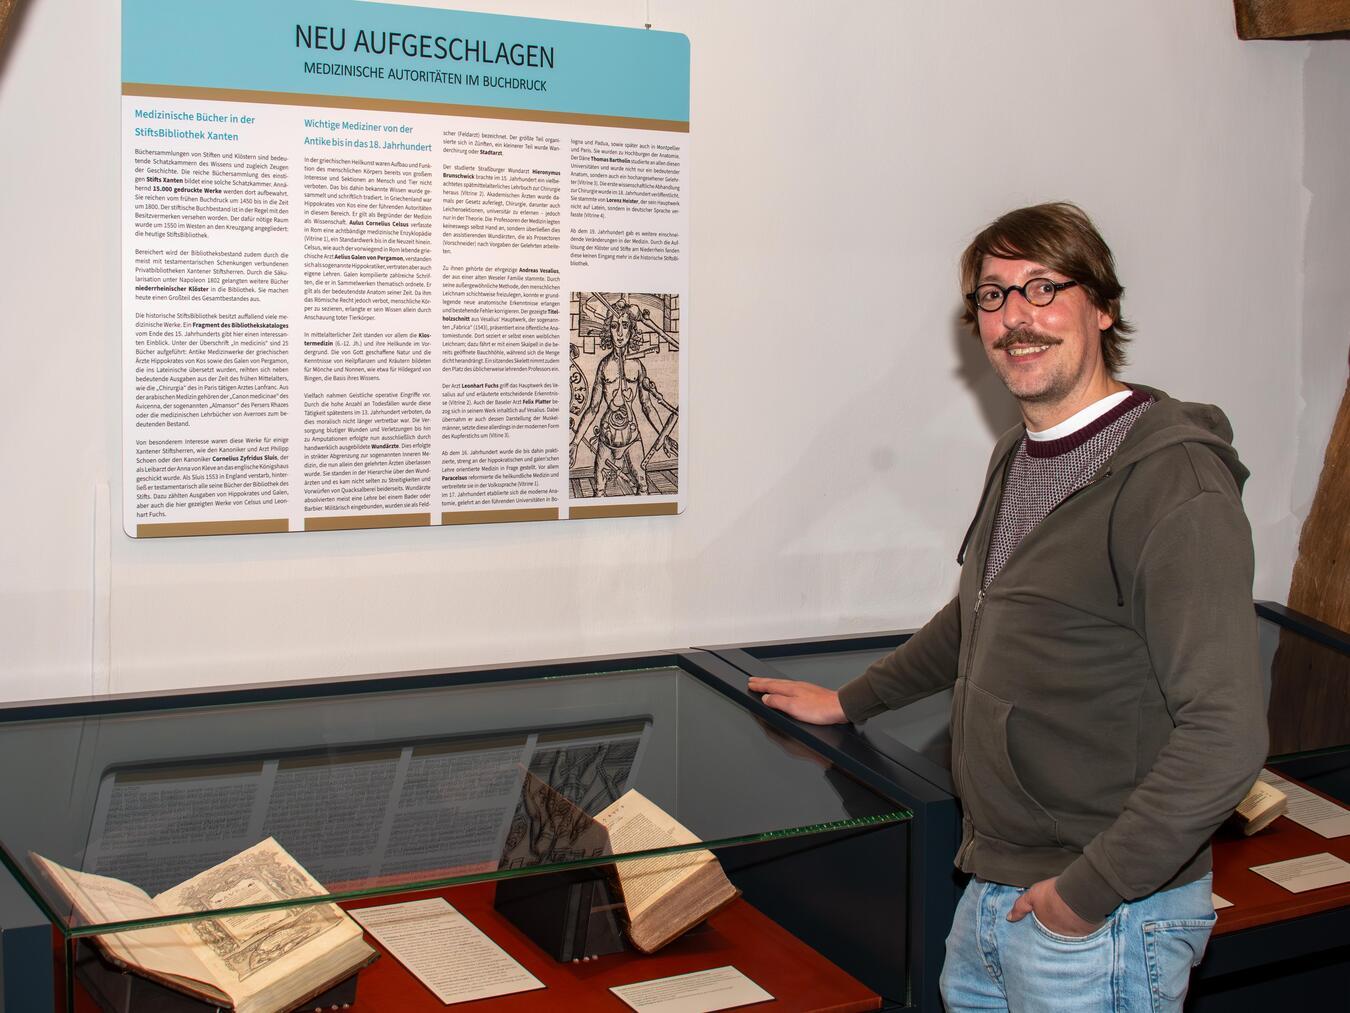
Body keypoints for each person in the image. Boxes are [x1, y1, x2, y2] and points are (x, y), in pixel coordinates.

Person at [749, 202, 1267, 1012]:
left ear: (1102, 307)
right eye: (994, 295)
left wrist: (1084, 895)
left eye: (1043, 286)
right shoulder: (1018, 454)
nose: (1016, 316)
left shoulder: (1176, 485)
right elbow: (980, 613)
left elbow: (1226, 736)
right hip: (994, 887)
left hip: (1102, 917)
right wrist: (851, 700)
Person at [570, 298, 674, 496]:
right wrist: (575, 442)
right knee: (599, 490)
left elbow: (647, 406)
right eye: (614, 326)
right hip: (606, 438)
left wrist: (664, 436)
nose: (619, 333)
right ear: (608, 330)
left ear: (632, 330)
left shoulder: (637, 366)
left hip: (632, 438)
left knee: (643, 486)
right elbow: (593, 408)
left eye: (625, 326)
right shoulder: (604, 366)